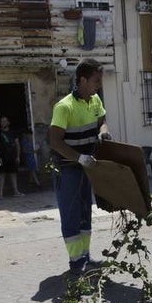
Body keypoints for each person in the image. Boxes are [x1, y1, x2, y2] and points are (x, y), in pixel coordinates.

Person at [48, 58, 111, 274]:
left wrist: (103, 132)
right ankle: (76, 263)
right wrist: (78, 158)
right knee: (71, 213)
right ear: (82, 80)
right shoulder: (64, 106)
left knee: (86, 212)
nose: (99, 85)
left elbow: (102, 120)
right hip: (68, 169)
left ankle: (85, 257)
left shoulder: (95, 101)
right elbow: (55, 141)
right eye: (96, 80)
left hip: (87, 168)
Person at [0, 116, 24, 197]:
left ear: (8, 123)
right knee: (1, 174)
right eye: (1, 121)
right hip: (2, 157)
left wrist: (18, 156)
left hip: (12, 156)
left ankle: (16, 191)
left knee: (13, 173)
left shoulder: (13, 132)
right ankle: (1, 194)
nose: (2, 123)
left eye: (4, 121)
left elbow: (17, 144)